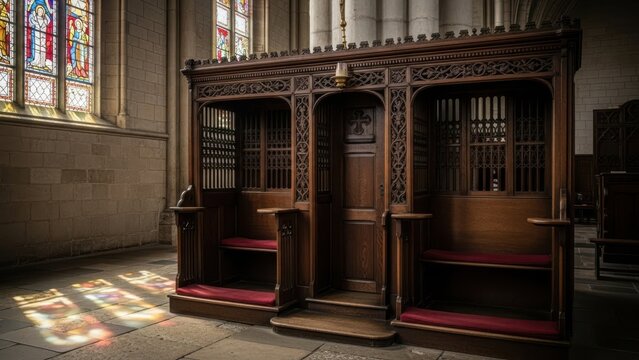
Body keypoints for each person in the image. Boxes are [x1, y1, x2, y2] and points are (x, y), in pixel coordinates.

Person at [28, 4, 51, 70]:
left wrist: (46, 15)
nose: (40, 12)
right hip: (37, 36)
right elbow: (31, 21)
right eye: (39, 11)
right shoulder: (35, 18)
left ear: (43, 12)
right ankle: (36, 61)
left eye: (41, 11)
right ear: (37, 11)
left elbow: (48, 20)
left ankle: (42, 63)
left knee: (43, 49)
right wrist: (33, 15)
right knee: (37, 48)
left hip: (43, 37)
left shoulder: (45, 20)